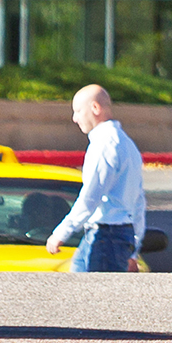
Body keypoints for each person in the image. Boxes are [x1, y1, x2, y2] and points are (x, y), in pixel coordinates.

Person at [44, 83, 146, 271]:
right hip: (113, 236)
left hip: (106, 238)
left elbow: (90, 196)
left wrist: (61, 233)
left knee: (95, 297)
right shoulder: (128, 145)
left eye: (78, 111)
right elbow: (138, 201)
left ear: (95, 108)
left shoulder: (104, 145)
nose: (75, 118)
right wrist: (133, 249)